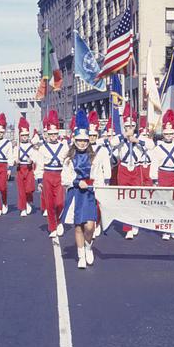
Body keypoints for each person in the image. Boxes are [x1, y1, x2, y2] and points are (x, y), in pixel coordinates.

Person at [61, 110, 105, 268]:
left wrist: (95, 188)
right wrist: (76, 182)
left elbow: (99, 177)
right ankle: (81, 256)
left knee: (90, 226)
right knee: (78, 226)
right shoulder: (68, 158)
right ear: (74, 140)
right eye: (79, 140)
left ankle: (88, 247)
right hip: (75, 194)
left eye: (84, 141)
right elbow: (64, 178)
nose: (81, 143)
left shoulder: (95, 157)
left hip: (89, 194)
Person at [150, 110, 174, 240]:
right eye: (166, 134)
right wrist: (155, 179)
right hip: (163, 175)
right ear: (163, 135)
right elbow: (154, 164)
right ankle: (165, 229)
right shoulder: (158, 149)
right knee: (164, 203)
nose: (168, 136)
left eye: (171, 134)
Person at [113, 104, 145, 240]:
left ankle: (135, 221)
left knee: (136, 198)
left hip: (136, 170)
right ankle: (128, 228)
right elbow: (113, 142)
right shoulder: (120, 139)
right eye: (127, 127)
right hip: (124, 169)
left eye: (131, 127)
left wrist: (136, 140)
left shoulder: (141, 138)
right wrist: (124, 136)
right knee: (126, 199)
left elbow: (151, 145)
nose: (129, 129)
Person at [36, 110, 68, 238]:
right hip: (48, 175)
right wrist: (39, 181)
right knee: (49, 203)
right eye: (51, 134)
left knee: (60, 202)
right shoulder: (43, 148)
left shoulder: (64, 146)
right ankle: (52, 227)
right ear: (48, 135)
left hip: (60, 175)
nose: (53, 136)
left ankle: (59, 221)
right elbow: (39, 165)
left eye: (55, 134)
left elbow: (67, 163)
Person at [88, 110, 112, 235]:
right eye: (90, 135)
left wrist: (107, 179)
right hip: (87, 179)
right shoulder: (84, 148)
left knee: (98, 203)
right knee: (88, 203)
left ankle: (97, 223)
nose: (91, 138)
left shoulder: (102, 150)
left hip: (99, 179)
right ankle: (90, 223)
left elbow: (106, 166)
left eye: (94, 136)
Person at [15, 116, 39, 217]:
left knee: (29, 188)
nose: (24, 137)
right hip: (20, 168)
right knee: (21, 190)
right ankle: (23, 208)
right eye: (23, 135)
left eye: (26, 135)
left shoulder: (31, 146)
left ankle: (29, 201)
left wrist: (32, 160)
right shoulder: (17, 147)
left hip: (29, 169)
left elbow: (36, 157)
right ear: (20, 136)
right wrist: (15, 160)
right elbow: (13, 157)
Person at [137, 116, 155, 187]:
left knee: (149, 185)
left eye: (147, 135)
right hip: (140, 165)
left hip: (149, 164)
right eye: (144, 135)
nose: (145, 136)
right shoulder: (137, 140)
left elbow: (151, 145)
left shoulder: (150, 142)